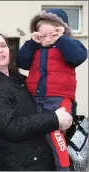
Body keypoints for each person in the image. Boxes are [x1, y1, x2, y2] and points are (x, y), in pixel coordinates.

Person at [0, 30, 73, 170]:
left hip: (39, 161)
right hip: (21, 165)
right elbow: (12, 127)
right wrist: (55, 119)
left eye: (3, 45)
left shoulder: (19, 79)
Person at [16, 9, 87, 170]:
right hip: (34, 99)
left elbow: (78, 56)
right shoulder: (34, 47)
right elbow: (22, 62)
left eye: (53, 34)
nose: (47, 39)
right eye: (43, 35)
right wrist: (33, 42)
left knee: (56, 136)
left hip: (58, 100)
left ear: (62, 32)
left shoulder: (68, 46)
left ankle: (64, 167)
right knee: (37, 135)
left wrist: (61, 38)